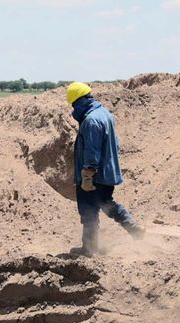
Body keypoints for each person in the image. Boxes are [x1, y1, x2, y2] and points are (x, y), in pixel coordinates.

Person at [66, 81, 144, 256]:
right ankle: (133, 228)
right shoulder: (104, 114)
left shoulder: (91, 121)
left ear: (78, 102)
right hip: (107, 173)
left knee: (88, 211)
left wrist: (87, 176)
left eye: (73, 104)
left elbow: (92, 151)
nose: (73, 109)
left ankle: (89, 248)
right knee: (107, 203)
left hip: (95, 175)